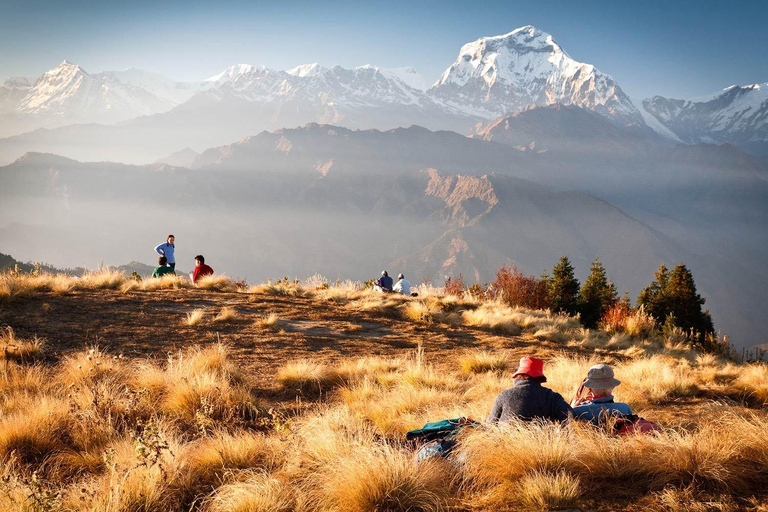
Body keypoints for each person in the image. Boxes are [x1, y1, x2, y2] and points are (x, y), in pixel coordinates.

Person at [487, 357, 572, 424]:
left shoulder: (504, 395)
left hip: (504, 444)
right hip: (540, 444)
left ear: (518, 375)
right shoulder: (551, 397)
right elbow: (570, 417)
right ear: (539, 377)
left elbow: (490, 425)